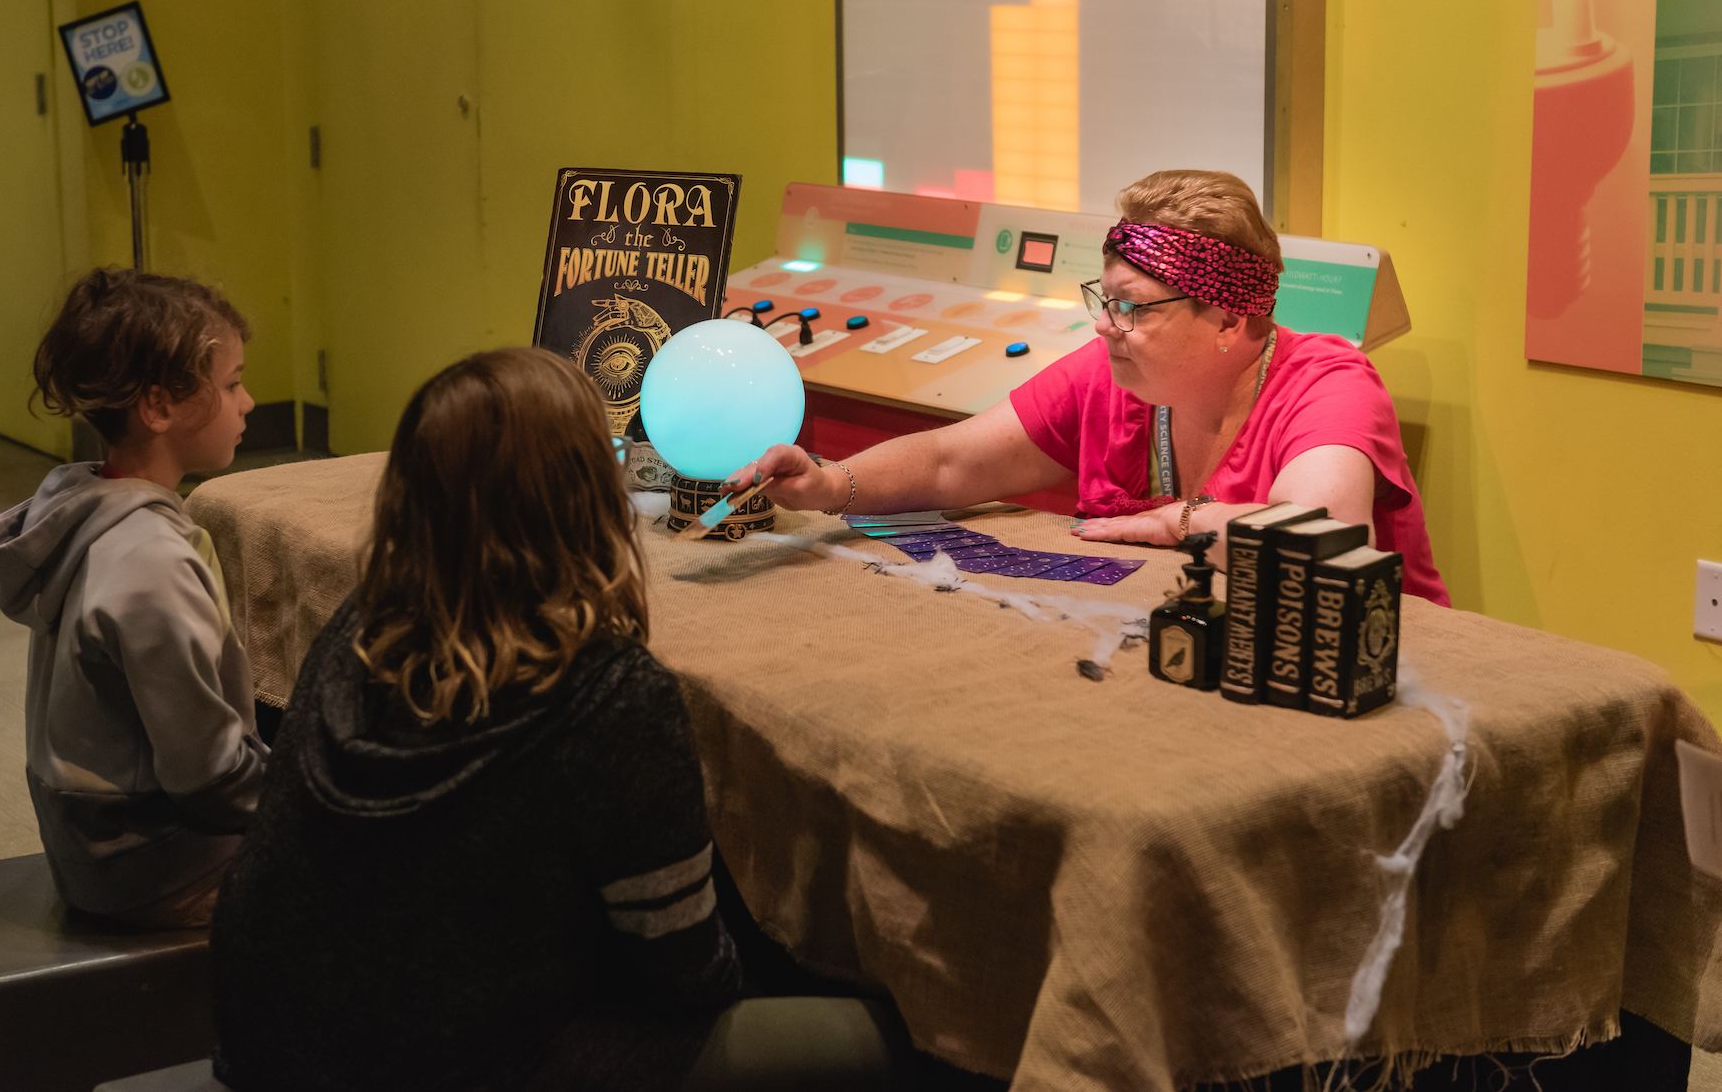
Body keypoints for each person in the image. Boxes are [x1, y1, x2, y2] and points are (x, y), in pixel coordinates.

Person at [208, 348, 906, 1092]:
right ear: (587, 497)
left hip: (270, 1039)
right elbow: (684, 977)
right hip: (468, 1062)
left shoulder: (361, 625)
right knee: (888, 1042)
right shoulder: (612, 694)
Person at [739, 170, 1448, 604]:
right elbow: (954, 461)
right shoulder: (1112, 372)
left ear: (1229, 317)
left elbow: (1315, 541)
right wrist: (832, 486)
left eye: (1134, 306)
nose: (1107, 326)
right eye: (1103, 299)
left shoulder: (1329, 384)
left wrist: (1180, 523)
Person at [0, 268, 267, 928]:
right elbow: (209, 777)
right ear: (159, 407)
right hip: (155, 864)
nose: (248, 402)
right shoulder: (152, 560)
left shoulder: (84, 508)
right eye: (231, 383)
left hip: (91, 845)